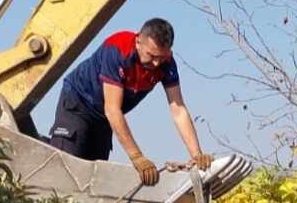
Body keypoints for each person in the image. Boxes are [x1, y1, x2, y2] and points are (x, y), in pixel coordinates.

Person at [47, 17, 212, 185]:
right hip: (79, 104)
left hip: (103, 119)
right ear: (139, 42)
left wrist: (196, 154)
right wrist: (137, 156)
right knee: (65, 170)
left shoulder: (167, 63)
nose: (156, 63)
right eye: (152, 55)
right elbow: (112, 110)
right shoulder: (117, 49)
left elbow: (178, 110)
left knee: (94, 177)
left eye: (161, 57)